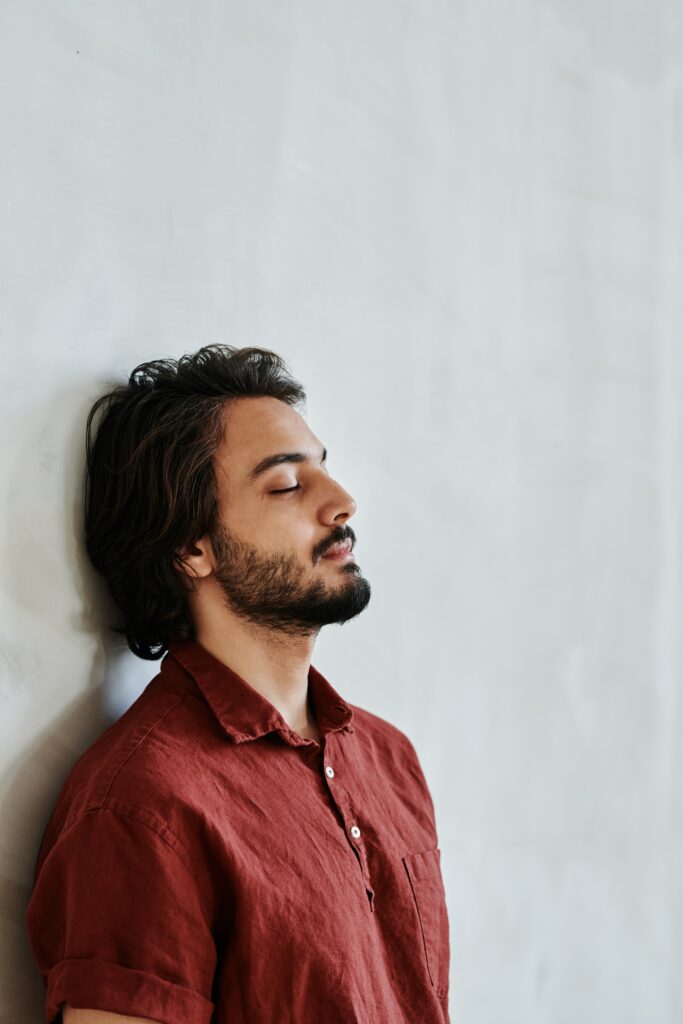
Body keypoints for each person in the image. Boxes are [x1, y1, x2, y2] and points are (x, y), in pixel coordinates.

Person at [26, 345, 451, 1024]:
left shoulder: (385, 756)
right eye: (286, 486)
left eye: (324, 469)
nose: (342, 503)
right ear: (191, 549)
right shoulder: (142, 804)